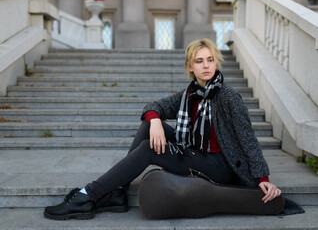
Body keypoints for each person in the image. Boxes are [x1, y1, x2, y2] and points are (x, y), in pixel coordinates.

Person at [44, 38, 282, 220]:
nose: (206, 65)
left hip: (219, 165)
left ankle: (87, 195)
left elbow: (248, 139)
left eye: (210, 59)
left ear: (216, 62)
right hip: (195, 153)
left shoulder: (229, 97)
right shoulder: (189, 94)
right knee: (149, 123)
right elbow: (154, 106)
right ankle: (117, 191)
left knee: (150, 149)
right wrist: (156, 120)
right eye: (199, 61)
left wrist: (263, 177)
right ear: (190, 67)